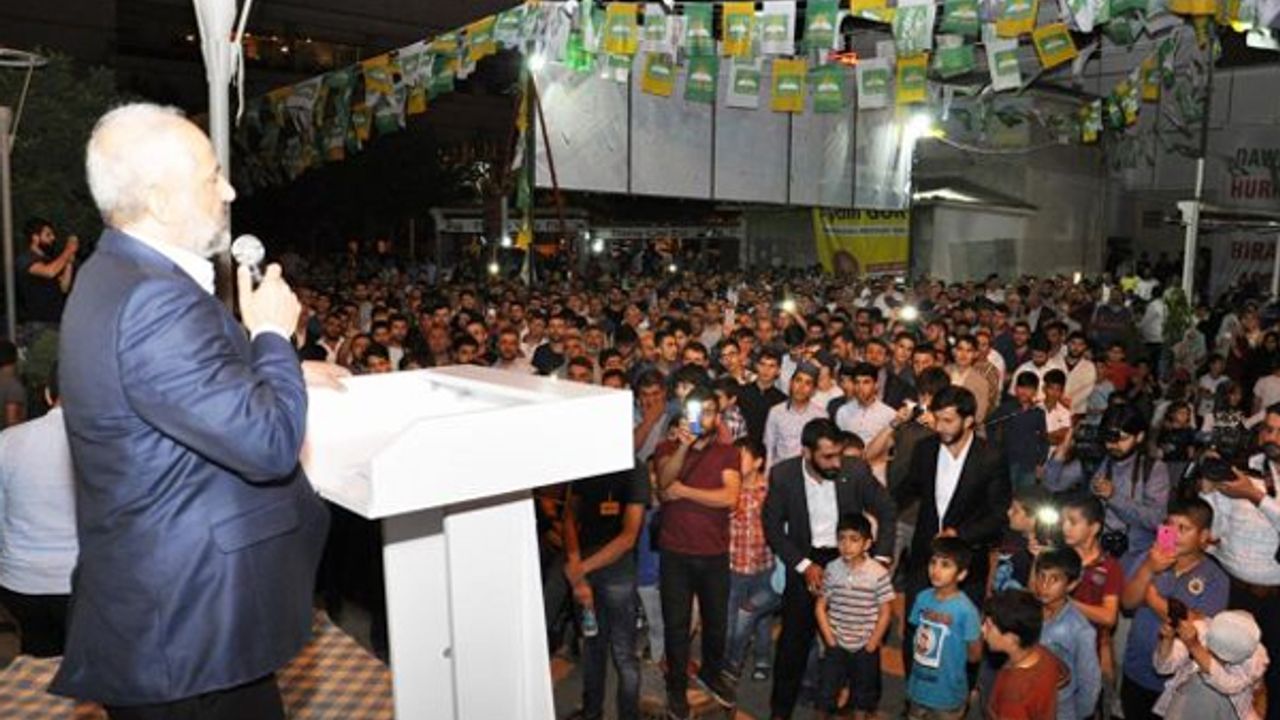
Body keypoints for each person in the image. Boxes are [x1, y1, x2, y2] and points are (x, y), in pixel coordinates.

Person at [54, 103, 338, 718]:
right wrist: (272, 336)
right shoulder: (155, 300)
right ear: (159, 200)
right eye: (213, 176)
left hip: (168, 619)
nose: (229, 191)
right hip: (188, 634)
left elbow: (176, 391)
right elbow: (269, 445)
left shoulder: (112, 273)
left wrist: (271, 369)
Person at [762, 418, 896, 720]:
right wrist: (804, 565)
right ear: (807, 453)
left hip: (849, 558)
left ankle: (860, 706)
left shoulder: (855, 470)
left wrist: (881, 560)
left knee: (862, 637)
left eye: (838, 454)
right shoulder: (783, 475)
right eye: (828, 457)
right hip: (806, 559)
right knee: (793, 642)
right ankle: (780, 711)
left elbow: (887, 509)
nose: (836, 463)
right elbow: (772, 528)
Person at [895, 384, 1011, 665]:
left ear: (968, 420)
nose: (939, 427)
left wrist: (959, 535)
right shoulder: (925, 449)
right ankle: (914, 686)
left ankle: (957, 689)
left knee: (960, 639)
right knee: (915, 632)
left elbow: (998, 516)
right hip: (925, 558)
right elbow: (906, 491)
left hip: (967, 564)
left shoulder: (990, 456)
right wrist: (878, 511)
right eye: (937, 419)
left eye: (948, 421)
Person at [654, 386, 741, 716]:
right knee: (676, 625)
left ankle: (711, 674)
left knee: (716, 622)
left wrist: (685, 491)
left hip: (714, 552)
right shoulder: (666, 447)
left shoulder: (728, 453)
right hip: (675, 552)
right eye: (696, 411)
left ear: (717, 418)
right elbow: (664, 483)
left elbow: (729, 497)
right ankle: (676, 687)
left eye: (708, 412)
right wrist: (683, 448)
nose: (702, 418)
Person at [1201, 402, 1280, 720]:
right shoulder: (1241, 470)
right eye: (1268, 429)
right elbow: (1213, 530)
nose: (1272, 437)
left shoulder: (1249, 487)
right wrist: (1208, 492)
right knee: (1223, 671)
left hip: (1275, 601)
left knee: (1274, 676)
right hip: (1231, 591)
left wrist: (1255, 496)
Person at [1119, 498, 1230, 720]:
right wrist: (1148, 568)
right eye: (1169, 526)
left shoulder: (1215, 577)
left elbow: (1199, 625)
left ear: (1204, 536)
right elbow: (1127, 603)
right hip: (1137, 669)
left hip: (1180, 685)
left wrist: (1152, 598)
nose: (1174, 534)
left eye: (1183, 528)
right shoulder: (1148, 558)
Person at [561, 459, 648, 720]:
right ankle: (592, 712)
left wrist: (579, 569)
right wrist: (576, 567)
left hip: (616, 571)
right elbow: (568, 517)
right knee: (592, 647)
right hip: (586, 567)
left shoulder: (635, 468)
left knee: (623, 654)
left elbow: (629, 537)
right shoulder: (585, 461)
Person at [0, 369, 77, 657]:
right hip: (84, 583)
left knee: (38, 658)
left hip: (20, 582)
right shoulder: (107, 444)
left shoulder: (7, 441)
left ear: (47, 394)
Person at [815, 514, 894, 720]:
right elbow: (821, 606)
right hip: (837, 644)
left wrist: (872, 643)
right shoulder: (832, 568)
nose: (846, 545)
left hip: (864, 646)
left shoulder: (878, 573)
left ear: (867, 544)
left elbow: (886, 612)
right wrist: (830, 639)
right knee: (825, 692)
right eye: (841, 539)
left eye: (854, 539)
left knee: (862, 696)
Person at [905, 537, 984, 720]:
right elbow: (917, 634)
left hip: (947, 695)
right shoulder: (922, 597)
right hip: (918, 688)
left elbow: (975, 655)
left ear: (961, 574)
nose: (936, 570)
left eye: (945, 565)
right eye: (933, 562)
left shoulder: (966, 610)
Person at [1090, 403, 1172, 574]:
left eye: (1123, 438)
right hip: (1098, 552)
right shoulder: (1098, 462)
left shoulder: (1154, 469)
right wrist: (1060, 456)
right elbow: (1055, 484)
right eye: (1110, 438)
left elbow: (1158, 519)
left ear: (1139, 436)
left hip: (1138, 555)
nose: (1114, 445)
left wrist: (1113, 497)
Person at [1059, 494, 1122, 715]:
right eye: (1063, 521)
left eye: (1073, 522)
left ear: (1094, 528)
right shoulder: (1057, 559)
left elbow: (1109, 617)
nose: (1065, 528)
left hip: (1088, 656)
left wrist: (1066, 601)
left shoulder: (1109, 567)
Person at [725, 438, 779, 682]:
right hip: (734, 566)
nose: (734, 462)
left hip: (764, 566)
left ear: (758, 462)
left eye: (741, 457)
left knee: (762, 619)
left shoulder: (771, 490)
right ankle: (731, 663)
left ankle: (762, 659)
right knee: (732, 619)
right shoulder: (728, 490)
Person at [1153, 610, 1270, 719]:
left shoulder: (1254, 661)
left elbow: (1227, 684)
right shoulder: (1201, 630)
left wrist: (1194, 646)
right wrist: (1167, 639)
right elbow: (1163, 667)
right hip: (1184, 710)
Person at [1032, 548, 1102, 720]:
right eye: (1041, 576)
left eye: (1054, 579)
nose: (1045, 585)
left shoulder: (1080, 630)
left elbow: (1089, 684)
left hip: (1061, 710)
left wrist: (1078, 715)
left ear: (1071, 585)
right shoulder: (1028, 614)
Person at [981, 589, 1068, 720]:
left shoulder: (1014, 696)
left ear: (1012, 638)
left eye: (989, 626)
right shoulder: (1042, 653)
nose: (982, 629)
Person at [15, 217, 77, 334]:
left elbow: (64, 287)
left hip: (55, 322)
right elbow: (49, 272)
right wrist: (68, 250)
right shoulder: (25, 259)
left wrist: (69, 263)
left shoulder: (49, 260)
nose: (53, 238)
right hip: (38, 324)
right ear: (35, 237)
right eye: (48, 235)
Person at [989, 372, 1049, 491]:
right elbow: (990, 426)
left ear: (1035, 391)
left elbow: (1043, 439)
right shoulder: (1006, 409)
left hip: (1029, 463)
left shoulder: (1038, 413)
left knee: (1026, 497)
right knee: (1006, 494)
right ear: (1016, 389)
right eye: (1021, 387)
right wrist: (995, 448)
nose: (1024, 392)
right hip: (1007, 461)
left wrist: (1040, 463)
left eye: (1029, 388)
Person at [762, 363, 827, 469]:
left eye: (807, 383)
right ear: (791, 383)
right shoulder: (776, 412)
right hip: (781, 470)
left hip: (808, 472)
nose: (801, 387)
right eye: (798, 380)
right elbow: (769, 449)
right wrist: (767, 474)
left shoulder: (821, 416)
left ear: (813, 390)